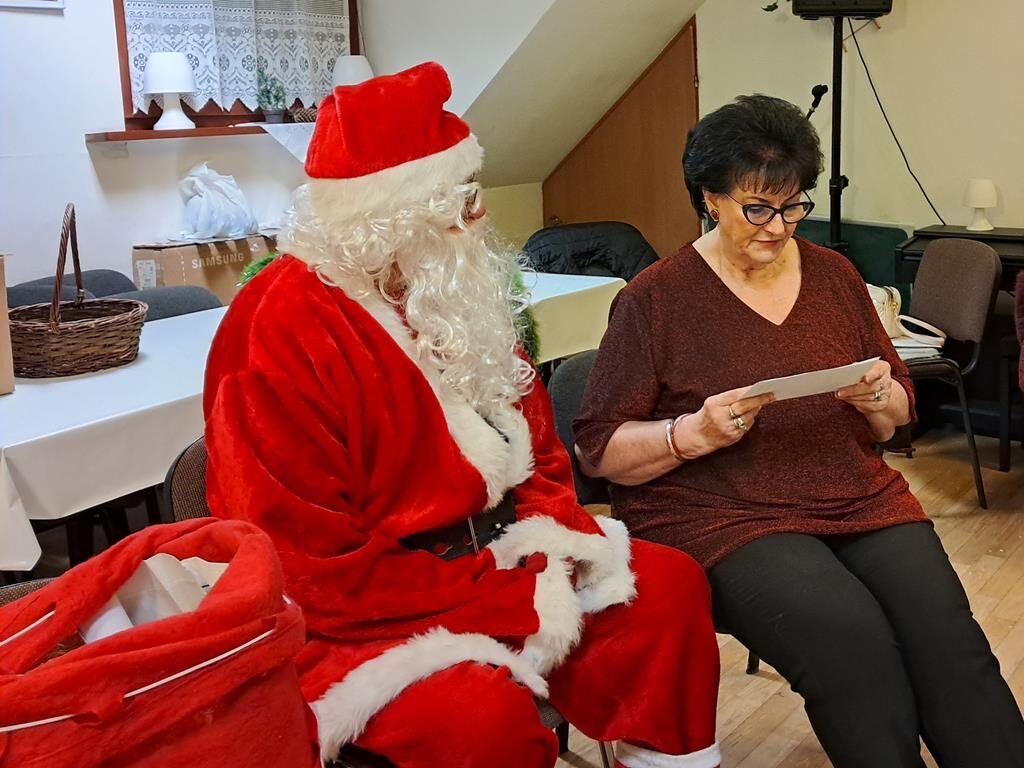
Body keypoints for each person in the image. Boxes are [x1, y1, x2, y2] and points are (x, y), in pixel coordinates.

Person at [203, 62, 721, 768]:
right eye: (462, 198)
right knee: (479, 719)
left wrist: (546, 545)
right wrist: (505, 596)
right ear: (395, 216)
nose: (480, 217)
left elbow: (540, 450)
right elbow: (309, 569)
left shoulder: (449, 293)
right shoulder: (279, 331)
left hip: (499, 557)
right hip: (365, 612)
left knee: (667, 591)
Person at [574, 93, 1024, 768]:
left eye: (794, 206)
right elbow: (598, 450)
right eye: (758, 208)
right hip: (723, 514)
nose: (779, 227)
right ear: (710, 198)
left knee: (951, 645)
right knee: (854, 649)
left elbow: (899, 411)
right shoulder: (654, 299)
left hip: (856, 496)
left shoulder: (834, 275)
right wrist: (690, 434)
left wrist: (880, 398)